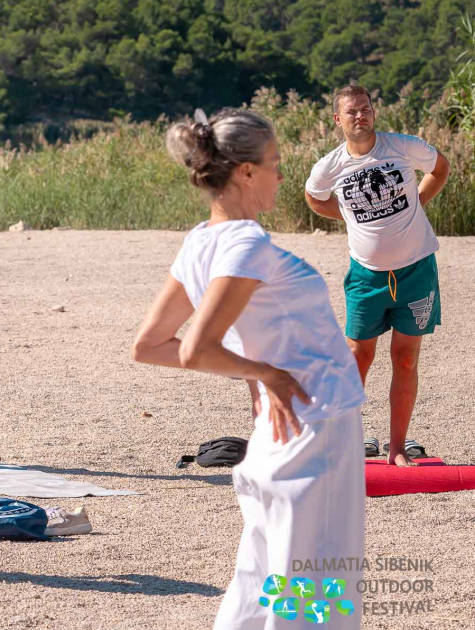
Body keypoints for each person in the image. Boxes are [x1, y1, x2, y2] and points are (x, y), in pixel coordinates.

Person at [132, 109, 366, 629]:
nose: (282, 175)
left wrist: (255, 371)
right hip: (314, 419)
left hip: (281, 428)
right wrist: (270, 373)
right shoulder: (246, 242)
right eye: (275, 163)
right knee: (312, 584)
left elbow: (150, 345)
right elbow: (193, 348)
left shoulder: (201, 240)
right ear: (244, 172)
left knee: (262, 575)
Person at [304, 85, 450, 466]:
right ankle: (347, 443)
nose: (360, 116)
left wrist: (417, 201)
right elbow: (314, 197)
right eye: (351, 112)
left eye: (365, 109)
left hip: (416, 270)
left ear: (373, 112)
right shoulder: (330, 166)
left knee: (405, 359)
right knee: (357, 357)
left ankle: (397, 448)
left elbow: (440, 167)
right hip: (365, 277)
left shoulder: (401, 146)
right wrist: (348, 217)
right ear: (338, 119)